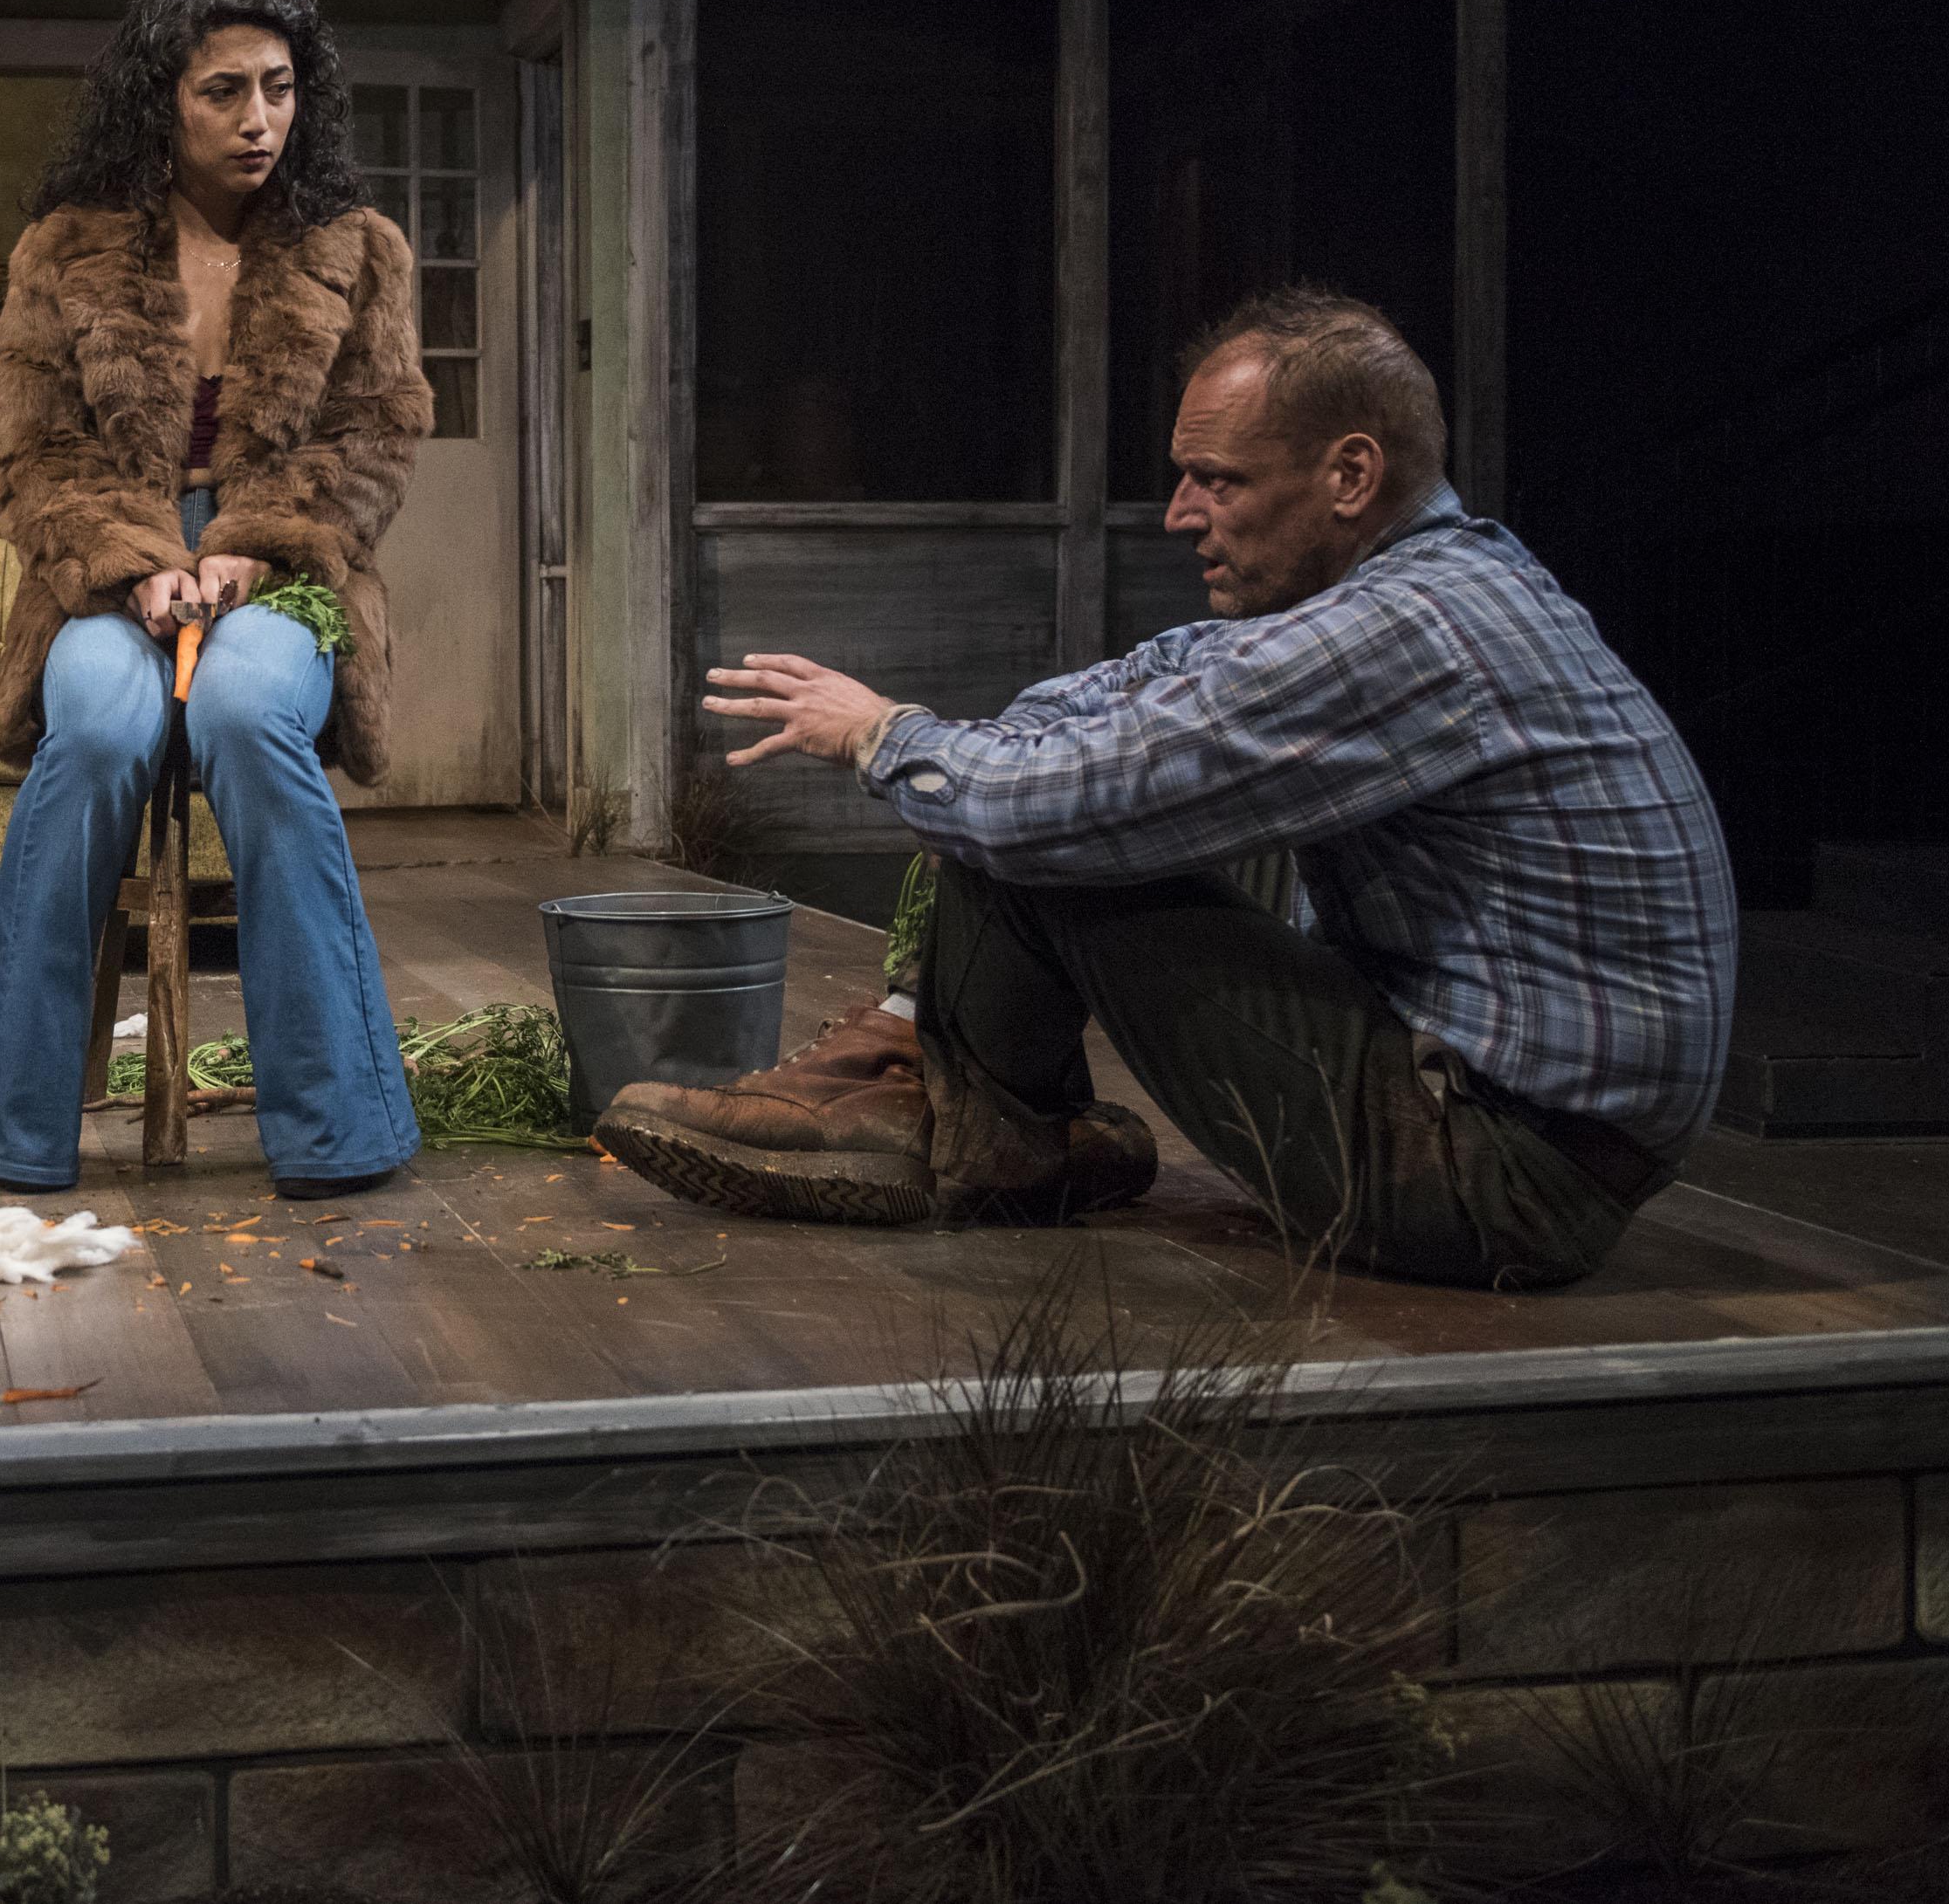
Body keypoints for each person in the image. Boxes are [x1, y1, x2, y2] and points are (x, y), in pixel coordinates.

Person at [606, 288, 1737, 1290]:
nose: (1180, 513)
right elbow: (1131, 694)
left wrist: (882, 735)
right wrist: (966, 746)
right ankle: (948, 1091)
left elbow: (1071, 797)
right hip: (1487, 1126)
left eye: (1218, 480)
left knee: (1063, 827)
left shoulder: (1418, 627)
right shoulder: (1428, 589)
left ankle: (961, 1115)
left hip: (1499, 1177)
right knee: (1054, 784)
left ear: (1352, 474)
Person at [0, 0, 436, 1201]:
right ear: (160, 99)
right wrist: (132, 567)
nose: (258, 118)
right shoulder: (63, 251)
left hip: (284, 564)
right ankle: (20, 1129)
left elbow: (379, 434)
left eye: (279, 88)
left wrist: (254, 540)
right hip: (107, 563)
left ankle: (338, 1128)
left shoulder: (358, 249)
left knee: (241, 709)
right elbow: (27, 447)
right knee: (103, 726)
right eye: (224, 89)